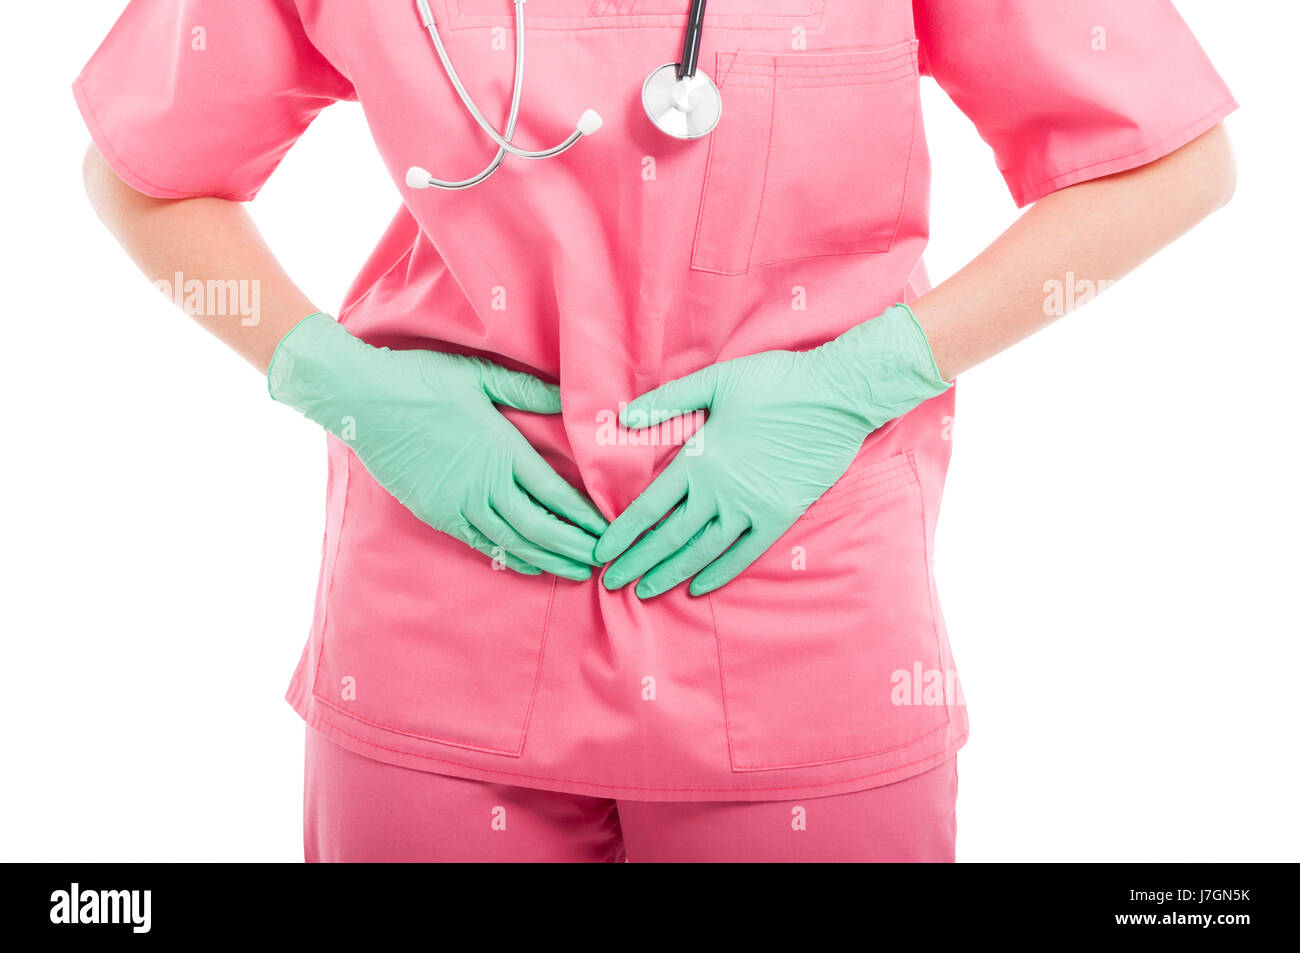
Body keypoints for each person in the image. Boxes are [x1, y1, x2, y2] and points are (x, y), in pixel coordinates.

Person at [76, 0, 1237, 862]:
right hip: (443, 607)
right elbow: (144, 167)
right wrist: (332, 376)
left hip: (803, 608)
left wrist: (870, 374)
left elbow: (1171, 160)